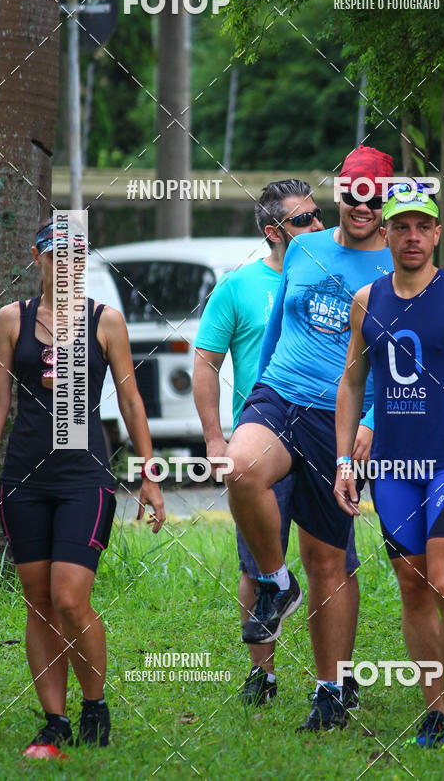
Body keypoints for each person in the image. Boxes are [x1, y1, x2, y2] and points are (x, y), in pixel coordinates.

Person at [225, 145, 394, 732]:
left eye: (372, 196)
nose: (360, 206)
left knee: (328, 559)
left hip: (339, 418)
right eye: (351, 194)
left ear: (387, 199)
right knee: (241, 468)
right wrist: (253, 399)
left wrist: (370, 421)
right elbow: (275, 331)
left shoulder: (397, 268)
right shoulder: (304, 248)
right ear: (340, 195)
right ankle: (275, 581)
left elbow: (393, 359)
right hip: (279, 393)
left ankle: (330, 692)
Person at [0, 219, 165, 757]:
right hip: (24, 477)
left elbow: (131, 402)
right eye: (56, 254)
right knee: (38, 602)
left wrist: (150, 474)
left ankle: (95, 704)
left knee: (69, 598)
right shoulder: (11, 319)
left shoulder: (104, 321)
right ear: (38, 258)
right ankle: (55, 721)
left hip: (85, 475)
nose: (66, 265)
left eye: (76, 256)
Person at [334, 184, 444, 750]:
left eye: (422, 227)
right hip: (394, 469)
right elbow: (352, 383)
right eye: (401, 226)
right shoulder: (366, 299)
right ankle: (434, 709)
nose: (412, 237)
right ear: (386, 233)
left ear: (438, 233)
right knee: (413, 585)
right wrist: (343, 461)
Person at [192, 179, 324, 706]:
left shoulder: (332, 279)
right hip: (259, 437)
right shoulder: (239, 286)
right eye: (305, 220)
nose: (319, 226)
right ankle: (262, 674)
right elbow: (205, 362)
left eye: (319, 215)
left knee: (330, 561)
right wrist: (213, 439)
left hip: (321, 434)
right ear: (274, 232)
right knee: (257, 566)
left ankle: (333, 678)